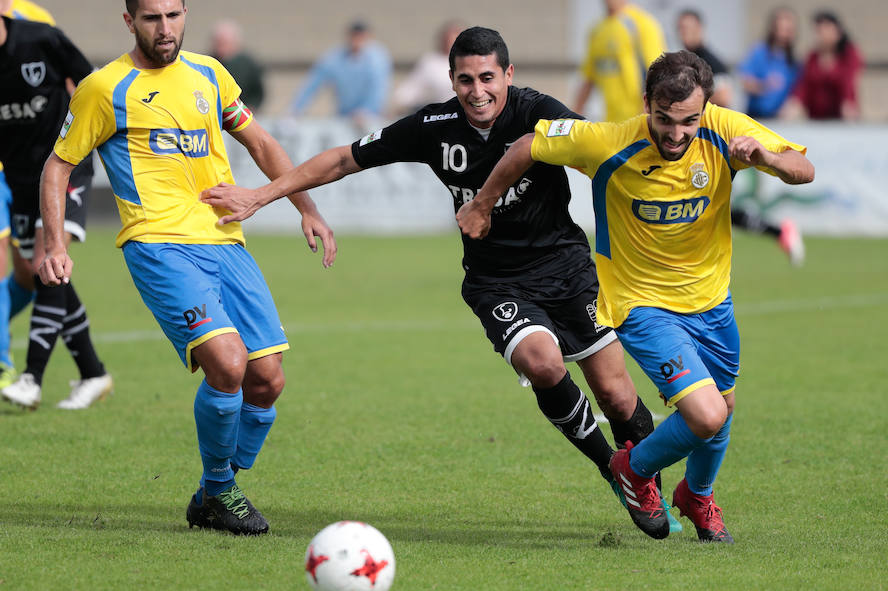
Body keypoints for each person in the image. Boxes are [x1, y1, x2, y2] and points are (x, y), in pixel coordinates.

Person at [201, 26, 681, 530]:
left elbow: (604, 153)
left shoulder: (540, 112)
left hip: (567, 268)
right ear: (451, 80)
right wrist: (262, 195)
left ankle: (645, 482)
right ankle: (611, 468)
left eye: (488, 78)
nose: (478, 91)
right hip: (497, 281)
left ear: (508, 74)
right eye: (466, 80)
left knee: (617, 395)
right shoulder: (434, 125)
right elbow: (344, 158)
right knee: (542, 363)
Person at [458, 50, 814, 542]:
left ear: (705, 109)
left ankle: (697, 496)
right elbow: (527, 146)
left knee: (724, 409)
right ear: (646, 103)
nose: (676, 134)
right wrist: (482, 203)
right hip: (641, 306)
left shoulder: (724, 129)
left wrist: (768, 158)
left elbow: (803, 169)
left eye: (689, 121)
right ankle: (631, 468)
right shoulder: (608, 142)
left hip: (712, 302)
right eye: (664, 119)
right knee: (707, 414)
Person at [38, 0, 336, 535]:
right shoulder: (104, 88)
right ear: (129, 22)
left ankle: (212, 492)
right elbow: (58, 166)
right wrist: (55, 243)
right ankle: (220, 492)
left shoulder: (210, 74)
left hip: (225, 241)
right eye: (152, 18)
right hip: (158, 245)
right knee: (228, 363)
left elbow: (261, 142)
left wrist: (306, 208)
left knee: (267, 382)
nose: (165, 28)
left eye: (173, 15)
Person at [0, 10, 113, 410]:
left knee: (46, 260)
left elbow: (91, 83)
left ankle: (31, 378)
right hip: (19, 179)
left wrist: (90, 135)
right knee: (38, 275)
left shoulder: (40, 39)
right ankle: (93, 373)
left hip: (65, 166)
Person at [677, 8, 804, 265]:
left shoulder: (710, 62)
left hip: (712, 143)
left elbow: (725, 97)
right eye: (681, 28)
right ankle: (779, 232)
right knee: (707, 206)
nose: (685, 33)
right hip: (691, 142)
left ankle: (779, 232)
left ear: (701, 29)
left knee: (705, 204)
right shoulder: (682, 61)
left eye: (690, 28)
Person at [0, 0, 54, 389]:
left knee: (30, 275)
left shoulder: (37, 20)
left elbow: (63, 82)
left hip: (27, 169)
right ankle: (2, 363)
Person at [573, 0, 666, 122]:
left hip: (638, 119)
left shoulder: (642, 23)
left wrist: (646, 116)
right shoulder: (597, 30)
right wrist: (574, 115)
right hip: (611, 122)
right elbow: (589, 78)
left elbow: (658, 74)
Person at [288, 20, 392, 128]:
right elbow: (312, 84)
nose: (357, 40)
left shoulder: (377, 57)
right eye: (354, 35)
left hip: (372, 118)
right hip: (344, 116)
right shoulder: (335, 57)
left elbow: (378, 88)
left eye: (360, 36)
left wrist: (366, 110)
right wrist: (295, 110)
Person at [780, 11, 863, 121]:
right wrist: (793, 104)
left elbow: (847, 82)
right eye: (819, 31)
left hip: (841, 119)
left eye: (826, 29)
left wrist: (848, 106)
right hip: (816, 119)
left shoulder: (849, 54)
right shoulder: (812, 57)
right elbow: (803, 86)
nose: (822, 35)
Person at [739, 6, 799, 119]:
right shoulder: (759, 52)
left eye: (789, 29)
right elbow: (745, 83)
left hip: (778, 119)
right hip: (756, 116)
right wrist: (765, 85)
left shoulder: (793, 61)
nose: (787, 33)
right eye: (783, 28)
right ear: (774, 27)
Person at [391, 20, 463, 114]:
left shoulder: (468, 61)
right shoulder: (430, 61)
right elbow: (412, 86)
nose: (449, 43)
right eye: (447, 39)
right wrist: (399, 102)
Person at [209, 19, 265, 112]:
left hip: (241, 112)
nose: (221, 47)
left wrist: (251, 107)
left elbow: (258, 92)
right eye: (218, 43)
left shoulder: (248, 64)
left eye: (224, 43)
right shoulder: (207, 62)